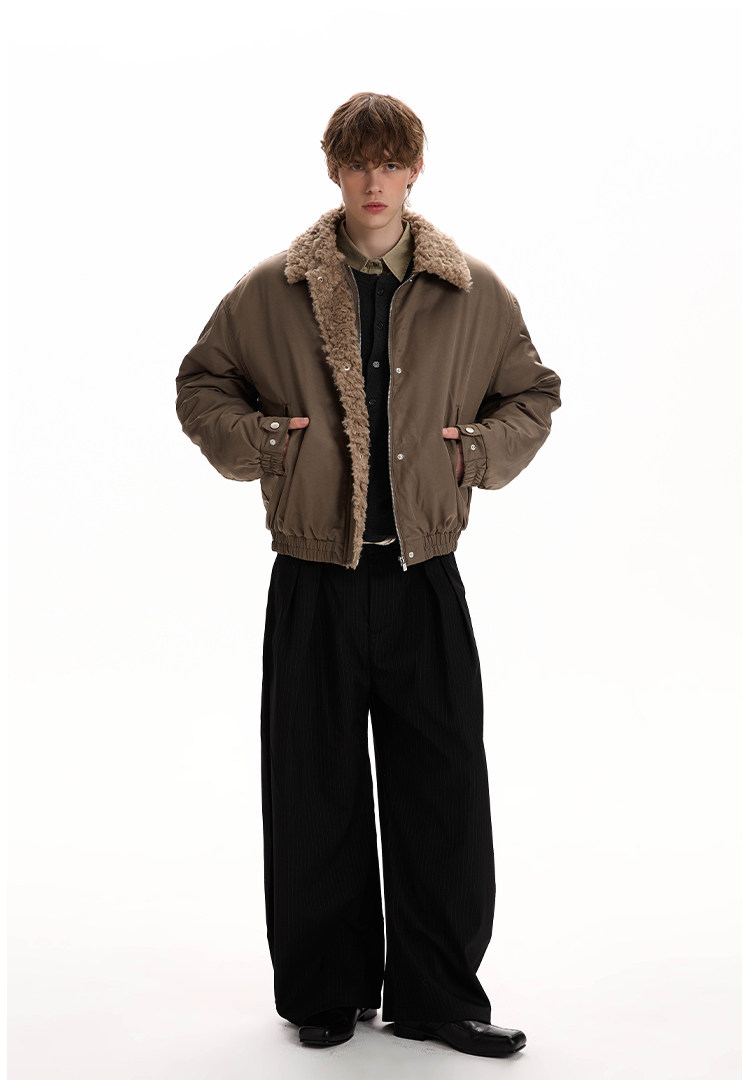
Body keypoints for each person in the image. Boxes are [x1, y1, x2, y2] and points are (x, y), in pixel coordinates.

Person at [175, 91, 561, 1059]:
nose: (373, 181)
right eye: (357, 162)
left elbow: (532, 391)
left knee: (444, 788)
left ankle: (437, 995)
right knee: (315, 788)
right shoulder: (275, 289)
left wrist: (474, 452)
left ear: (414, 170)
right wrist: (269, 443)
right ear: (334, 169)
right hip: (314, 578)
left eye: (390, 162)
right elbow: (201, 382)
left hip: (425, 575)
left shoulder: (470, 290)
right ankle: (326, 988)